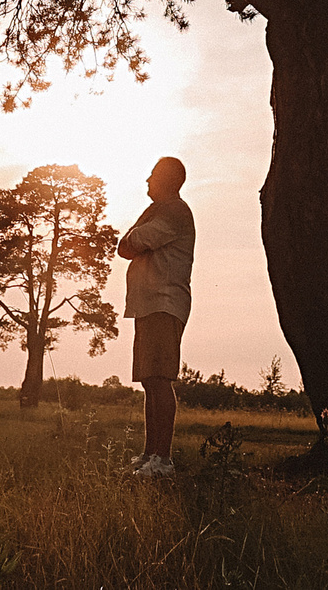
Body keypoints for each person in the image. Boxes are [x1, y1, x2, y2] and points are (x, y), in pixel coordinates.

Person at [118, 154, 195, 476]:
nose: (147, 180)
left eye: (153, 175)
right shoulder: (158, 210)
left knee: (160, 379)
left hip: (164, 303)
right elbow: (126, 245)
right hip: (150, 305)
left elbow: (130, 244)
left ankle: (162, 460)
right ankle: (150, 454)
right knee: (150, 380)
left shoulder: (174, 211)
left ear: (167, 180)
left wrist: (135, 234)